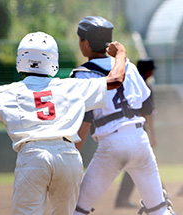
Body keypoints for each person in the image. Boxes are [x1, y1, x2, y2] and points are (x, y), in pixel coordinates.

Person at [0, 31, 127, 215]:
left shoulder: (8, 91)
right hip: (68, 156)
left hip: (34, 156)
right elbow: (116, 79)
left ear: (21, 59)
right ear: (53, 59)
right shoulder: (71, 86)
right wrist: (120, 55)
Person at [70, 16, 176, 215]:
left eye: (80, 40)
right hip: (139, 140)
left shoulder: (82, 74)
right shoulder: (129, 67)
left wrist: (71, 155)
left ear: (85, 43)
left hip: (112, 143)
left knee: (78, 208)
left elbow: (86, 119)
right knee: (158, 208)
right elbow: (146, 107)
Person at [115, 58, 158, 208]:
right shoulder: (145, 88)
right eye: (151, 69)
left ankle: (122, 198)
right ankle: (156, 197)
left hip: (121, 129)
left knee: (135, 164)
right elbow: (149, 114)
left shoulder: (127, 85)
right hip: (139, 131)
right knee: (142, 164)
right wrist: (153, 135)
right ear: (148, 71)